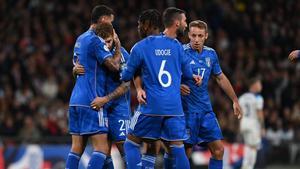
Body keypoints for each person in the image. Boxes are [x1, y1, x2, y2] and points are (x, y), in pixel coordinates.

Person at [121, 7, 202, 169]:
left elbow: (125, 76)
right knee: (178, 148)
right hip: (174, 107)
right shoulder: (176, 45)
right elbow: (187, 73)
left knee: (130, 143)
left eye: (139, 24)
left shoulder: (140, 47)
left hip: (152, 106)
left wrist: (122, 65)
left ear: (146, 25)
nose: (138, 27)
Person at [180, 20, 242, 169]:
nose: (196, 39)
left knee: (219, 150)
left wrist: (234, 100)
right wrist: (178, 86)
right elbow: (168, 77)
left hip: (206, 111)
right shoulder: (180, 52)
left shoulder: (211, 54)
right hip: (186, 111)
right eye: (193, 35)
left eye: (200, 35)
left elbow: (220, 77)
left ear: (206, 36)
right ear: (188, 35)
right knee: (185, 153)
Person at [66, 5, 122, 169]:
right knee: (102, 148)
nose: (112, 27)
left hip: (75, 100)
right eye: (111, 22)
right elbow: (114, 66)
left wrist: (74, 70)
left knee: (77, 148)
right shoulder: (95, 40)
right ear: (104, 20)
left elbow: (78, 66)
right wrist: (117, 46)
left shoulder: (80, 39)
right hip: (92, 100)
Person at [73, 24, 131, 168]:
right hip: (101, 107)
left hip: (118, 108)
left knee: (125, 149)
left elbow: (126, 85)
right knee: (104, 152)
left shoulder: (123, 55)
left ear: (115, 38)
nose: (106, 45)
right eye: (103, 42)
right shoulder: (96, 54)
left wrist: (105, 99)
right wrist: (75, 70)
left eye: (109, 41)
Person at [239, 78, 264, 169]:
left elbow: (239, 113)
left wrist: (240, 124)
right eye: (259, 84)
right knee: (253, 147)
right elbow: (259, 113)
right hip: (253, 124)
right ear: (253, 85)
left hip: (244, 123)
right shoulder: (258, 97)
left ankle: (245, 166)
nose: (261, 86)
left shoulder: (242, 97)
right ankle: (249, 167)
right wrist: (262, 127)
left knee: (247, 145)